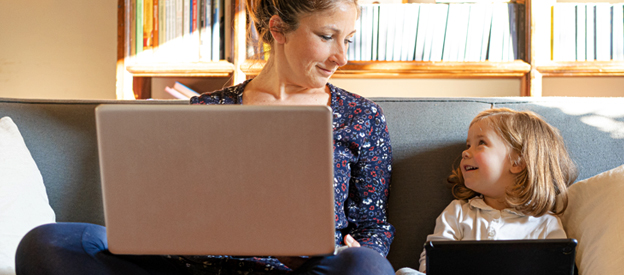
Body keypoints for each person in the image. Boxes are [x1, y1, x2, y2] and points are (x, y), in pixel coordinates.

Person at [15, 0, 396, 274]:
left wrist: (359, 249)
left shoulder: (360, 117)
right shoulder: (208, 109)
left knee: (366, 266)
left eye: (348, 38)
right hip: (191, 266)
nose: (341, 56)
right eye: (328, 36)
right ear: (278, 28)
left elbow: (373, 223)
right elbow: (170, 208)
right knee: (46, 243)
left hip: (300, 270)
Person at [395, 108, 578, 275]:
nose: (465, 153)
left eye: (481, 143)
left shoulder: (545, 223)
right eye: (468, 145)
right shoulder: (457, 212)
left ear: (518, 162)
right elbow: (432, 259)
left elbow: (558, 268)